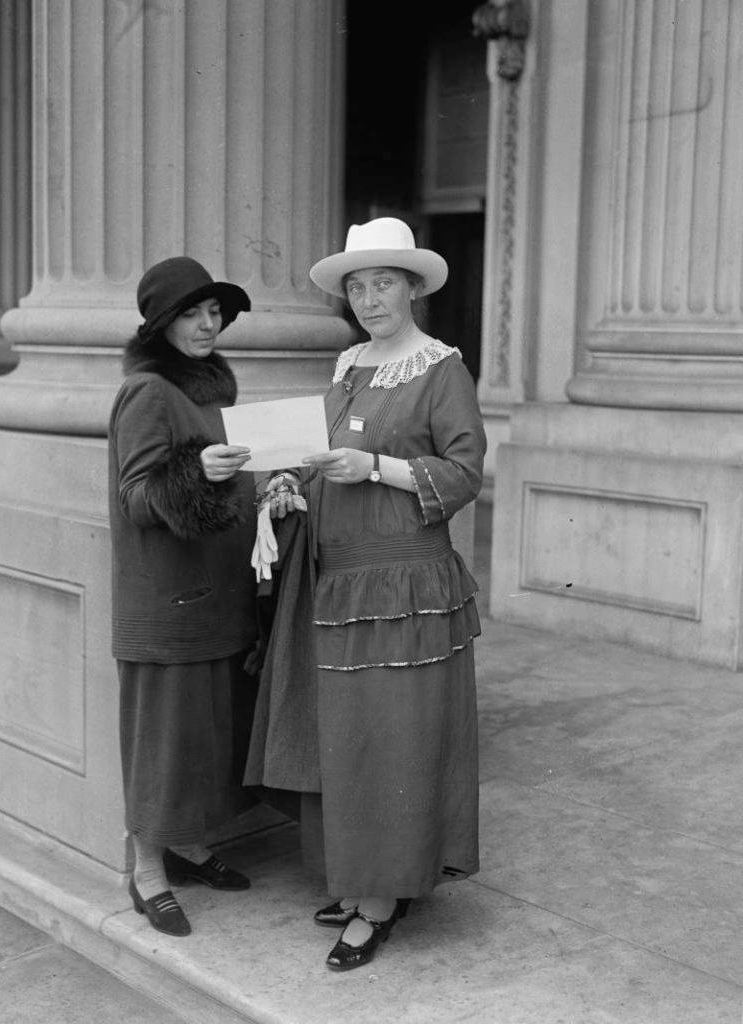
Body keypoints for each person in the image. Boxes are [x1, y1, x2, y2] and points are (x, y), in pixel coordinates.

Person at [260, 217, 487, 970]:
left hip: (405, 583)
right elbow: (328, 453)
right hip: (340, 577)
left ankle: (383, 898)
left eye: (383, 283)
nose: (368, 299)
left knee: (395, 737)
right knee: (351, 738)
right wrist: (292, 479)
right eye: (357, 287)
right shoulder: (349, 365)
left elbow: (464, 472)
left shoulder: (441, 369)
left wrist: (376, 469)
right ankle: (363, 880)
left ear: (413, 287)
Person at [108, 256, 260, 937]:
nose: (207, 325)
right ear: (161, 325)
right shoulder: (147, 391)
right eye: (192, 313)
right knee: (163, 743)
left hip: (213, 595)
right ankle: (146, 871)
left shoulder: (205, 392)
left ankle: (190, 848)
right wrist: (196, 470)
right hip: (167, 604)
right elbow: (136, 497)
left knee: (203, 735)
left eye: (214, 312)